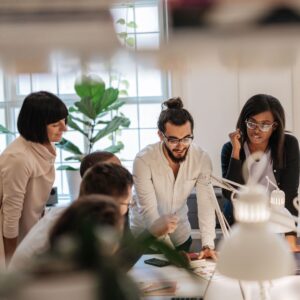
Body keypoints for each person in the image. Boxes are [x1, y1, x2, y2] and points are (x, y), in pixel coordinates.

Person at [9, 152, 177, 270]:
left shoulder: (78, 213)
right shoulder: (79, 226)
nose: (128, 207)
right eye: (127, 202)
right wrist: (152, 233)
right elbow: (113, 266)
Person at [130, 97, 217, 259]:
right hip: (148, 238)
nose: (181, 145)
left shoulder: (201, 158)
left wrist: (207, 244)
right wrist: (171, 253)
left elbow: (206, 204)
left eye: (186, 138)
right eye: (173, 140)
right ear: (161, 136)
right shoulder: (143, 160)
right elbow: (149, 213)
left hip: (180, 235)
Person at [221, 94, 300, 251]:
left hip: (278, 224)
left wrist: (290, 238)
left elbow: (289, 194)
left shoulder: (289, 145)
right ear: (244, 122)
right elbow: (229, 193)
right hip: (241, 225)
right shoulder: (230, 148)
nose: (256, 131)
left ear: (275, 126)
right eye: (252, 123)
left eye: (264, 125)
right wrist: (236, 151)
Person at [0, 91, 68, 265]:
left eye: (64, 121)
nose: (64, 128)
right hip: (8, 240)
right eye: (55, 124)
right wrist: (11, 263)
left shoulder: (45, 146)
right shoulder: (19, 158)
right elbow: (11, 214)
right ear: (36, 125)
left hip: (28, 234)